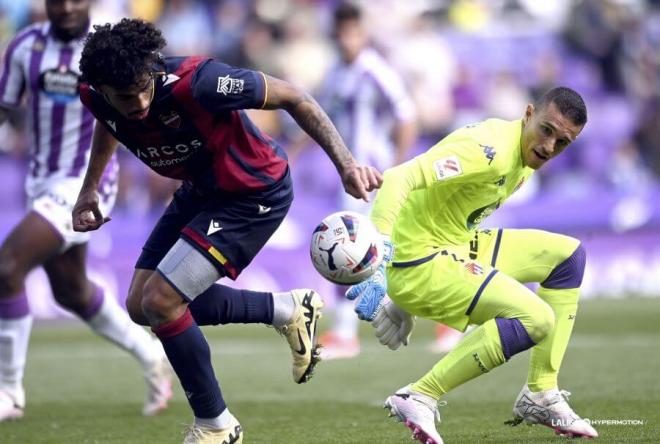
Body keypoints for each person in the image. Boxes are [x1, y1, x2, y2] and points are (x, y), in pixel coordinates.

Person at [73, 18, 381, 444]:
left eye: (145, 88)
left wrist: (346, 164)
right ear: (102, 89)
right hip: (201, 190)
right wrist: (89, 189)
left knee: (162, 302)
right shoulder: (94, 94)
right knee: (140, 307)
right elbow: (110, 123)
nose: (140, 102)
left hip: (253, 193)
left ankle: (216, 425)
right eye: (126, 97)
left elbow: (296, 97)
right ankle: (286, 309)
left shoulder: (200, 82)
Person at [347, 87, 598, 442]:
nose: (549, 147)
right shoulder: (489, 151)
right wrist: (380, 260)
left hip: (453, 244)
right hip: (418, 259)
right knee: (536, 319)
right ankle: (420, 395)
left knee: (568, 258)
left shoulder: (522, 156)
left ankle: (540, 392)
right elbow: (401, 178)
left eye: (562, 142)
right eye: (546, 130)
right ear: (528, 114)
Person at [0, 0, 172, 422]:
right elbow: (4, 107)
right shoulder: (24, 46)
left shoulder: (105, 49)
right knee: (71, 290)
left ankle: (9, 392)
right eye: (58, 0)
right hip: (39, 181)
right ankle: (148, 351)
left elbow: (122, 111)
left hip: (86, 185)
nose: (67, 7)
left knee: (6, 269)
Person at [314, 2, 417, 360]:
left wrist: (397, 168)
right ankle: (349, 330)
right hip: (351, 176)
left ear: (363, 33)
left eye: (352, 33)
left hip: (373, 175)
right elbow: (320, 117)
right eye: (341, 34)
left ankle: (345, 333)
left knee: (349, 249)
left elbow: (407, 116)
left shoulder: (374, 70)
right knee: (381, 250)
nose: (347, 41)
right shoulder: (336, 73)